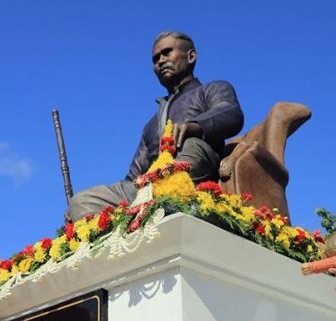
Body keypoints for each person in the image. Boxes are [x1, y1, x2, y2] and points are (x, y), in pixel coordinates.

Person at [67, 31, 244, 220]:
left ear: (191, 56)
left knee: (191, 145)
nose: (160, 61)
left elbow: (230, 112)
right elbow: (133, 177)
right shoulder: (151, 125)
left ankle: (162, 199)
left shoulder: (212, 89)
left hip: (190, 172)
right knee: (80, 202)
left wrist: (195, 126)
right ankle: (139, 214)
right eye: (155, 58)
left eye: (167, 53)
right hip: (149, 185)